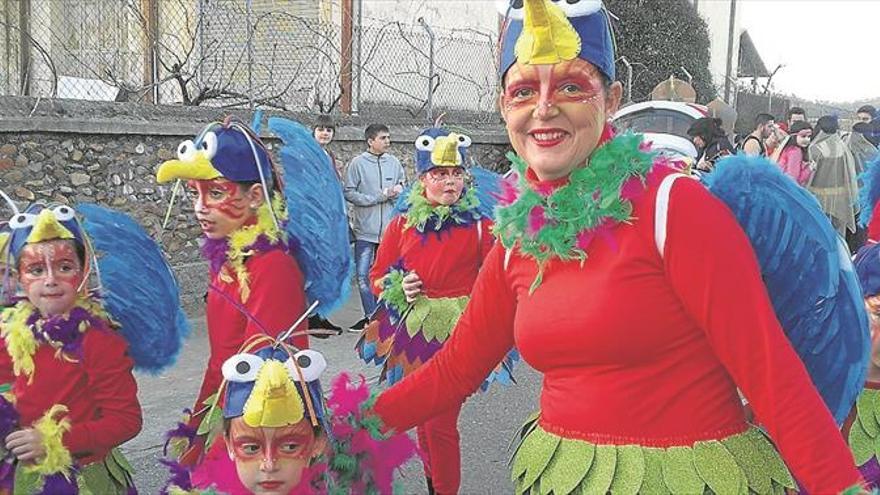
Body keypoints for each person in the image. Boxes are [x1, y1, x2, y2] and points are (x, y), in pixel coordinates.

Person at [371, 1, 863, 493]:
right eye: (523, 90)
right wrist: (345, 434)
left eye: (570, 86)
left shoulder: (676, 207)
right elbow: (456, 368)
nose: (544, 108)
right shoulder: (519, 236)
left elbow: (774, 378)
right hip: (564, 479)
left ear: (611, 99)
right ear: (504, 108)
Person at [356, 126, 514, 495]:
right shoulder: (402, 223)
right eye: (440, 174)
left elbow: (498, 278)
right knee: (423, 421)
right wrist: (397, 286)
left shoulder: (481, 226)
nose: (450, 182)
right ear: (423, 178)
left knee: (441, 423)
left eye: (456, 174)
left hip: (459, 334)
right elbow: (377, 276)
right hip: (413, 333)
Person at [0, 200, 187, 492]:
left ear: (83, 271)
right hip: (26, 476)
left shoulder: (99, 340)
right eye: (36, 269)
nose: (50, 280)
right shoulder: (13, 332)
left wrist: (54, 440)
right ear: (19, 278)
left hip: (83, 478)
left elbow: (126, 421)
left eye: (64, 266)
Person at [155, 118, 311, 466]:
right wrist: (199, 423)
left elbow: (269, 376)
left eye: (216, 193)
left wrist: (223, 453)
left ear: (255, 195)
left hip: (259, 428)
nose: (200, 207)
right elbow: (222, 358)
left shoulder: (272, 266)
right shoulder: (228, 256)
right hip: (225, 399)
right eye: (195, 193)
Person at [344, 124, 406, 332]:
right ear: (370, 141)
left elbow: (403, 186)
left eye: (388, 137)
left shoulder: (395, 162)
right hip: (365, 230)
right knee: (363, 274)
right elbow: (349, 192)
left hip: (389, 232)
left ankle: (386, 316)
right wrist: (377, 197)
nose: (387, 141)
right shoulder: (357, 164)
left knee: (389, 275)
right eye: (383, 138)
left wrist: (397, 193)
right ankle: (370, 317)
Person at [308, 115, 344, 334]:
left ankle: (319, 314)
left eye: (329, 130)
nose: (325, 133)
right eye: (321, 129)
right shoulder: (307, 154)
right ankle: (310, 317)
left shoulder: (328, 155)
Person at [808, 115, 860, 238]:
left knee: (818, 235)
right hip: (840, 199)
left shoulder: (814, 148)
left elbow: (809, 174)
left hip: (817, 197)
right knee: (838, 237)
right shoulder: (843, 148)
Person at [771, 120, 814, 186]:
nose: (807, 139)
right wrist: (809, 168)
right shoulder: (795, 152)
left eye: (809, 137)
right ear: (794, 136)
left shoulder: (788, 149)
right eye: (803, 136)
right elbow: (793, 180)